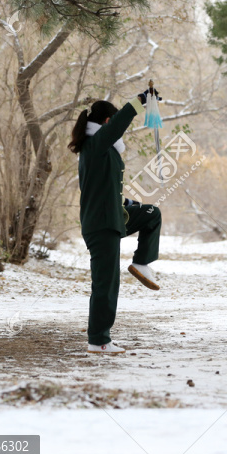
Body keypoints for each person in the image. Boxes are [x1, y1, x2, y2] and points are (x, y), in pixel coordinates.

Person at [68, 88, 163, 355]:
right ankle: (98, 340)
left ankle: (142, 263)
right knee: (105, 285)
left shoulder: (103, 150)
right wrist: (140, 101)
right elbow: (120, 123)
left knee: (151, 214)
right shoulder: (96, 144)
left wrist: (126, 203)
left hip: (113, 216)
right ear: (107, 123)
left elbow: (104, 188)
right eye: (114, 124)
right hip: (101, 225)